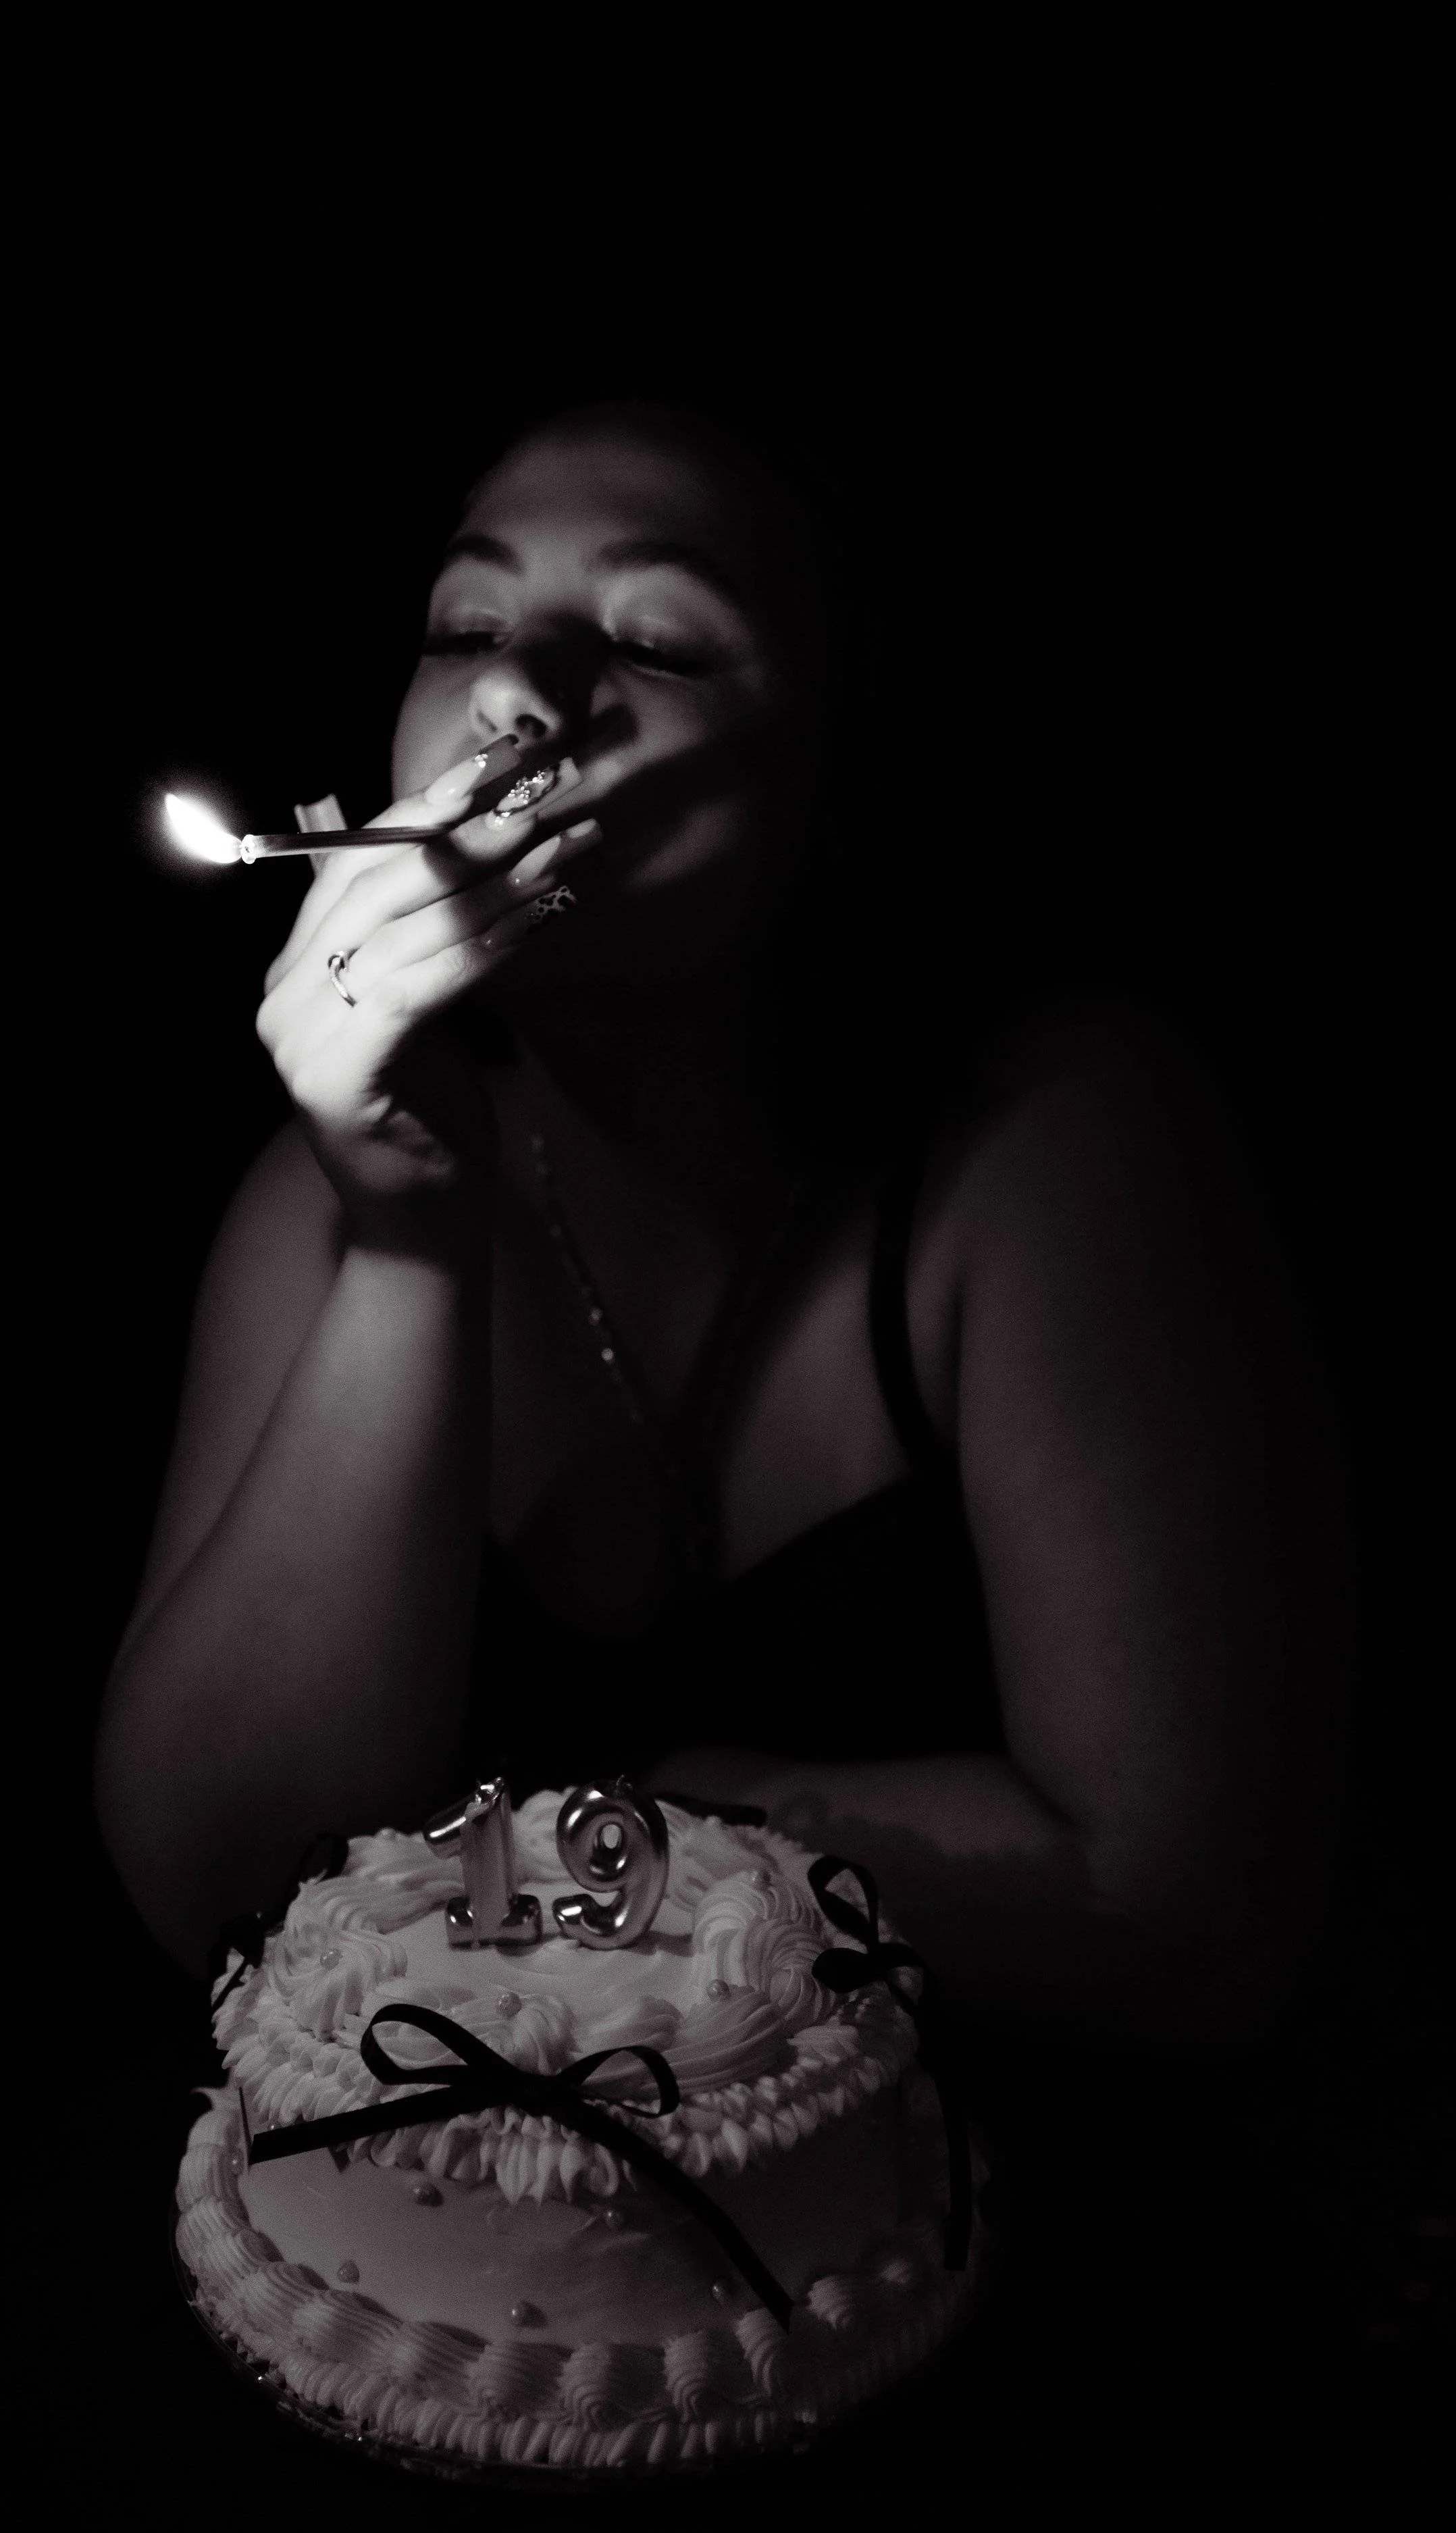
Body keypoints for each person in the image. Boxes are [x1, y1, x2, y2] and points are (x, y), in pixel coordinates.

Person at [96, 403, 1346, 2053]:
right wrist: (405, 1247)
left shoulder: (1047, 1143)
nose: (515, 693)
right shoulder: (322, 1198)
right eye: (465, 625)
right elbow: (227, 1891)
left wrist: (603, 1836)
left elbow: (1189, 1900)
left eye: (657, 643)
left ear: (845, 762)